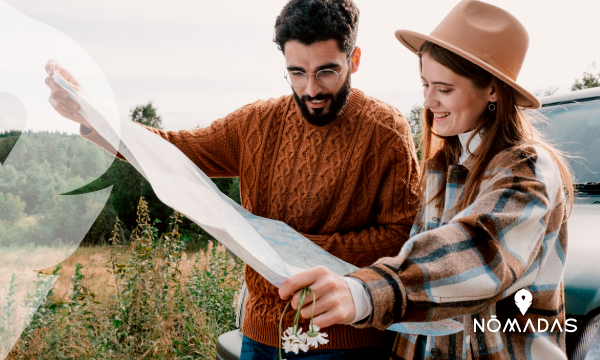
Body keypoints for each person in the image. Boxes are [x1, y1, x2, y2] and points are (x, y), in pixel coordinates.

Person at [44, 0, 420, 358]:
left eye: (326, 71)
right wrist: (95, 115)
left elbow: (402, 236)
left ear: (353, 59)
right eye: (296, 72)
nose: (311, 89)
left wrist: (292, 251)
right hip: (256, 336)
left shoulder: (385, 130)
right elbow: (175, 150)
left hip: (345, 343)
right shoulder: (256, 123)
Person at [279, 1, 574, 359]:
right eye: (425, 84)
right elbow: (421, 268)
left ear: (493, 90)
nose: (428, 100)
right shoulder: (441, 167)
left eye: (444, 89)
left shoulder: (527, 169)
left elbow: (480, 254)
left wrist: (364, 292)